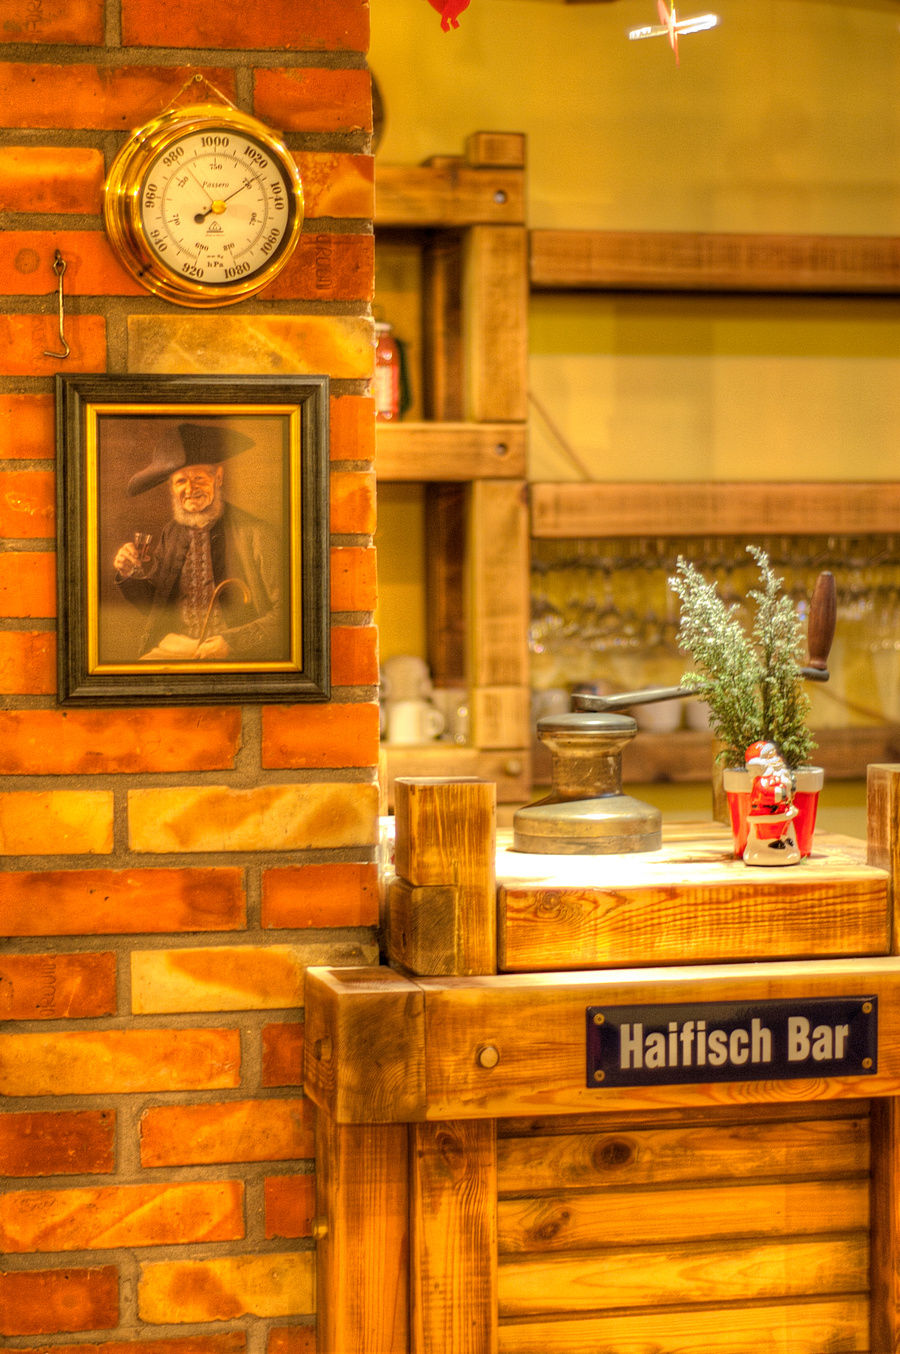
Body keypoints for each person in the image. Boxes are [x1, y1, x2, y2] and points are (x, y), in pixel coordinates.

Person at [113, 423, 286, 662]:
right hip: (178, 646)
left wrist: (233, 642)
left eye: (198, 478)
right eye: (180, 481)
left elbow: (288, 614)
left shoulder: (256, 533)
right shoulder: (171, 533)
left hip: (236, 652)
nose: (190, 489)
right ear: (172, 488)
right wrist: (128, 572)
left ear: (218, 478)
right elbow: (156, 608)